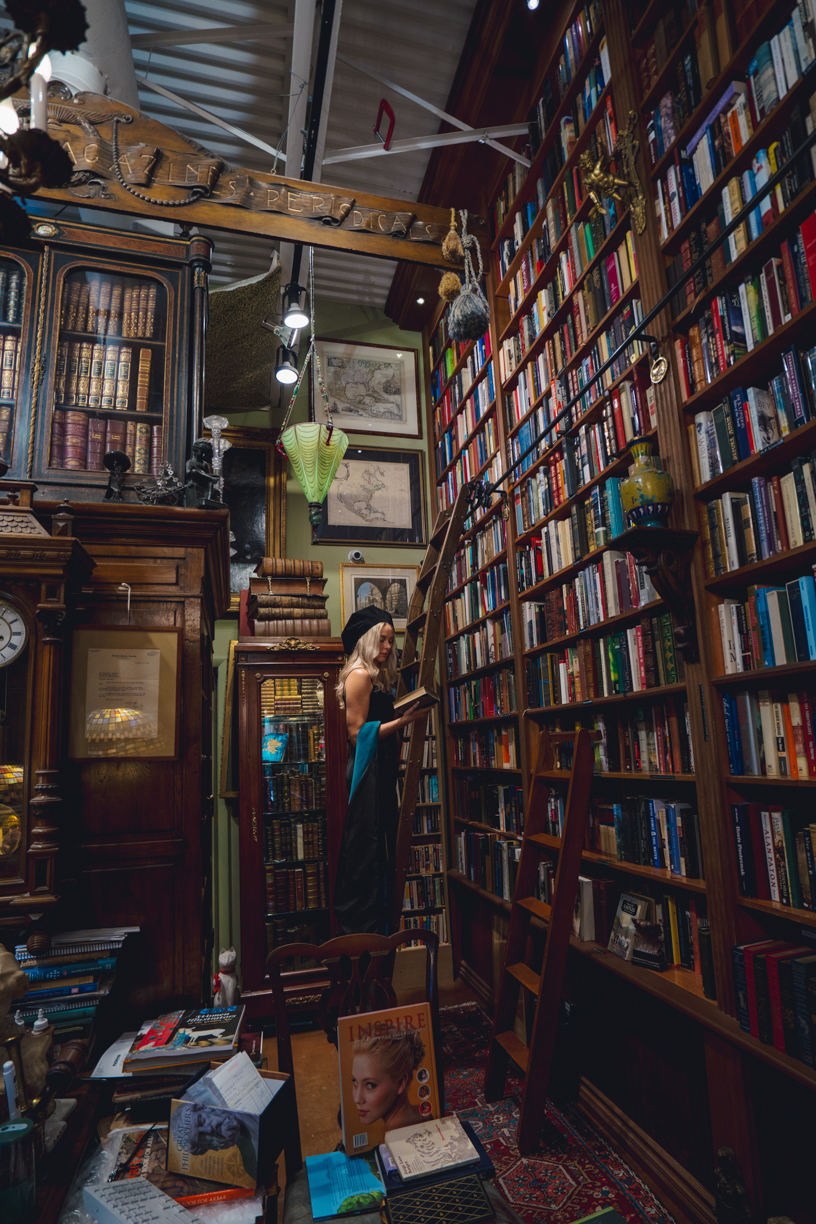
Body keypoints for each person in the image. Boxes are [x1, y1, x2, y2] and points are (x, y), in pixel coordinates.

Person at [334, 607, 423, 934]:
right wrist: (402, 721)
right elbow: (357, 734)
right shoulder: (359, 675)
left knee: (379, 847)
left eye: (391, 640)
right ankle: (366, 932)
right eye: (382, 640)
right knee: (368, 849)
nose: (388, 646)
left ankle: (378, 932)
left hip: (380, 769)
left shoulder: (374, 673)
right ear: (367, 640)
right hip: (367, 772)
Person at [350, 1030, 425, 1132]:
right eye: (355, 1082)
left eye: (370, 1085)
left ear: (401, 1083)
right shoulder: (425, 1112)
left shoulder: (387, 1144)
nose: (357, 1099)